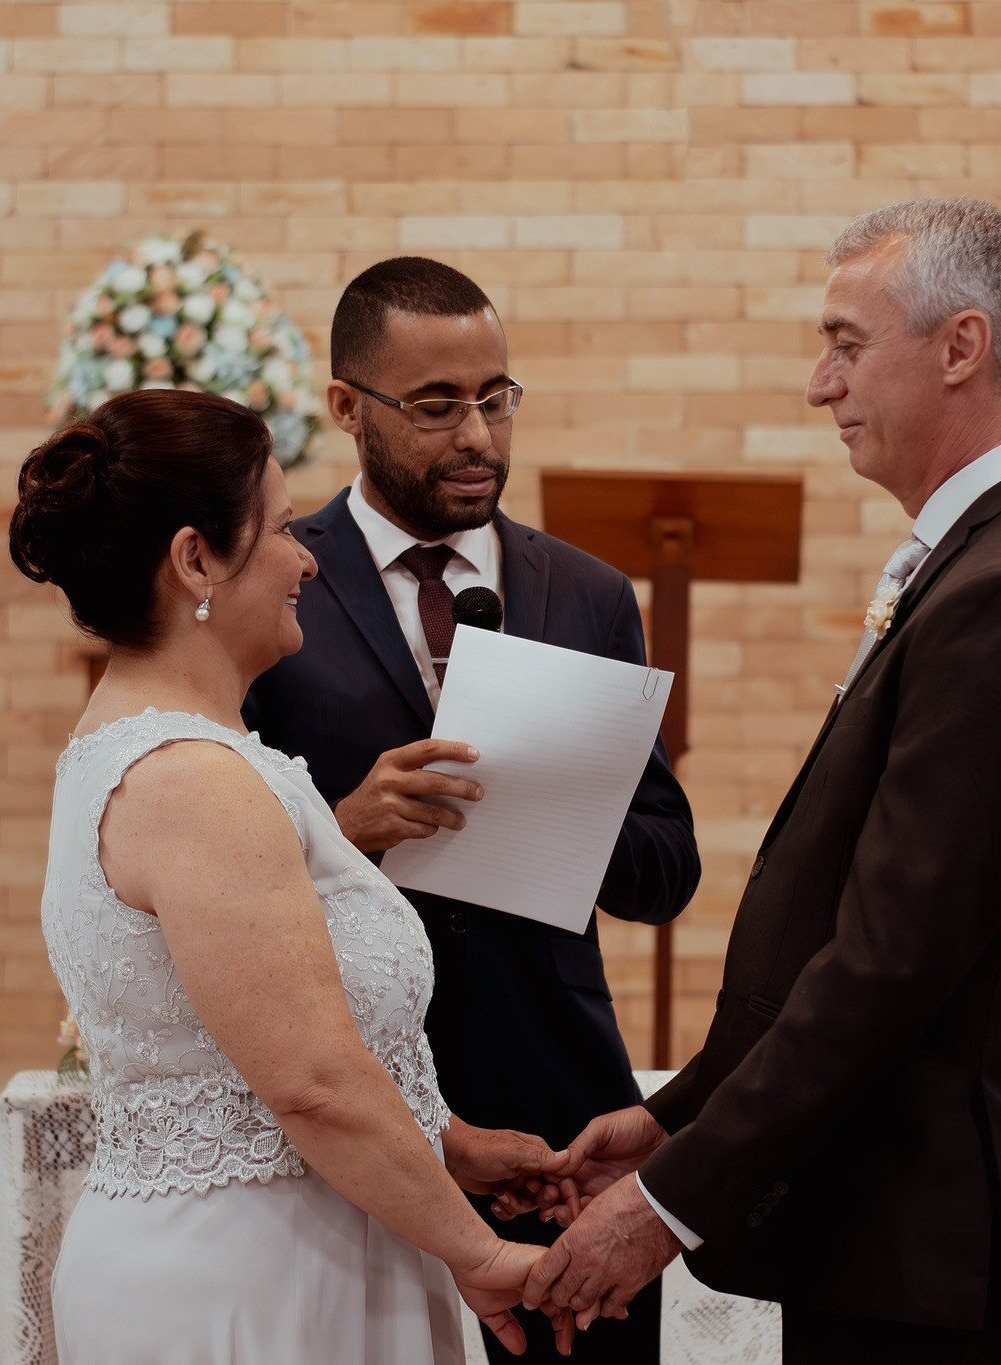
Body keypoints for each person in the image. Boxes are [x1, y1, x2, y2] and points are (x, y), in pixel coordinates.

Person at [525, 198, 1001, 1365]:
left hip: (930, 1241)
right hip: (888, 1216)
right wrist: (678, 1114)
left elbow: (888, 964)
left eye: (845, 343)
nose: (820, 384)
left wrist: (665, 1206)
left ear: (960, 348)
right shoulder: (992, 560)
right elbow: (839, 927)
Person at [11, 388, 575, 1363]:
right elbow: (309, 1081)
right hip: (249, 1280)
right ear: (195, 559)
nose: (304, 556)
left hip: (303, 1249)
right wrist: (477, 1254)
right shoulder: (192, 783)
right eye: (276, 527)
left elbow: (255, 1046)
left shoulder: (211, 758)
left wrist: (447, 1144)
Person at [245, 256, 701, 1363]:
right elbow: (214, 860)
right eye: (438, 406)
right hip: (354, 1101)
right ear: (347, 409)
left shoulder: (588, 595)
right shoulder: (276, 579)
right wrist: (344, 829)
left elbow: (667, 867)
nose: (479, 439)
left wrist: (555, 814)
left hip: (557, 1116)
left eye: (496, 399)